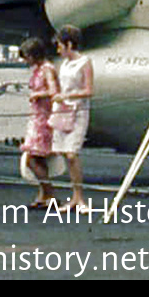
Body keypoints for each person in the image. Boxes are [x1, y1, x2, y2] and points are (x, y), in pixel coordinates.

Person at [51, 25, 92, 211]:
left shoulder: (85, 62)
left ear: (69, 44)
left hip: (78, 112)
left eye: (60, 45)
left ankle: (79, 197)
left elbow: (88, 90)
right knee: (66, 154)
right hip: (63, 110)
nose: (58, 49)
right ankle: (74, 197)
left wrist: (67, 96)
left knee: (72, 153)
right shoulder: (65, 64)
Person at [19, 36, 59, 209]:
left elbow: (53, 90)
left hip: (43, 117)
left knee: (32, 158)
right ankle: (44, 194)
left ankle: (49, 193)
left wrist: (37, 94)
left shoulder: (47, 69)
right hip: (36, 116)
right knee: (38, 157)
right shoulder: (39, 69)